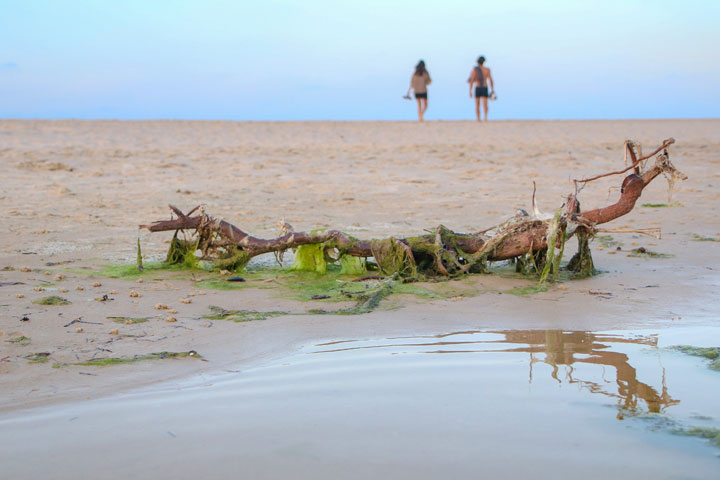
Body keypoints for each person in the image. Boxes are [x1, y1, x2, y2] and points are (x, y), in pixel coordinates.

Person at [468, 56, 494, 121]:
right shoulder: (487, 70)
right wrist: (492, 89)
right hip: (485, 87)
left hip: (478, 87)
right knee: (485, 104)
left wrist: (470, 90)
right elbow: (490, 80)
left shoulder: (475, 70)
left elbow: (471, 80)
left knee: (477, 104)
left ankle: (478, 118)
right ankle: (485, 117)